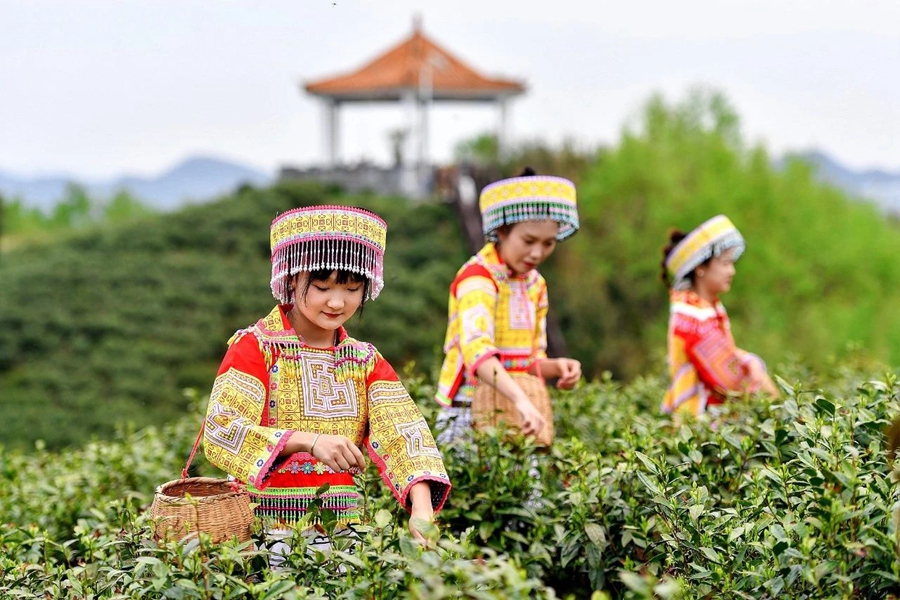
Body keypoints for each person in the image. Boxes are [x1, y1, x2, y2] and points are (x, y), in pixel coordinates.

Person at [202, 205, 451, 561]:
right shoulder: (256, 347)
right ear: (291, 279)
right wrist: (309, 441)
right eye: (321, 287)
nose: (337, 302)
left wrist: (422, 507)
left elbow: (405, 434)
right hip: (264, 536)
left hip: (345, 537)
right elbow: (221, 431)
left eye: (352, 288)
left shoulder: (365, 361)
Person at [434, 168, 582, 445]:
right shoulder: (478, 278)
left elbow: (530, 362)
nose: (537, 253)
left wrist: (558, 367)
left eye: (548, 243)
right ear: (502, 231)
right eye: (528, 241)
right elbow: (478, 354)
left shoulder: (536, 285)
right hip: (466, 412)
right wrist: (521, 400)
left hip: (519, 414)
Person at [660, 214, 778, 418]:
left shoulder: (708, 307)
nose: (731, 271)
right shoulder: (691, 317)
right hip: (700, 426)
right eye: (725, 264)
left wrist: (751, 362)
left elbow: (728, 354)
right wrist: (773, 398)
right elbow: (729, 379)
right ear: (700, 268)